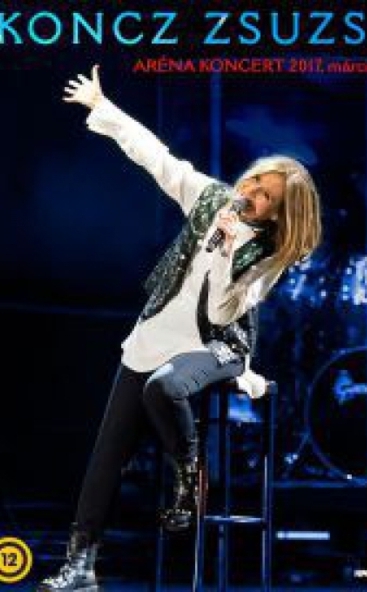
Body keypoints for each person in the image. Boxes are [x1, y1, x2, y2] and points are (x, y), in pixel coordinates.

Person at [37, 65, 322, 591]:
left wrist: (225, 250)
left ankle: (189, 477)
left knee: (164, 386)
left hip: (217, 346)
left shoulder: (269, 255)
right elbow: (159, 158)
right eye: (255, 179)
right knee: (106, 458)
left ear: (277, 216)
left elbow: (224, 314)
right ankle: (81, 566)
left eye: (265, 196)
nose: (250, 191)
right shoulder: (211, 197)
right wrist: (103, 106)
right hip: (156, 335)